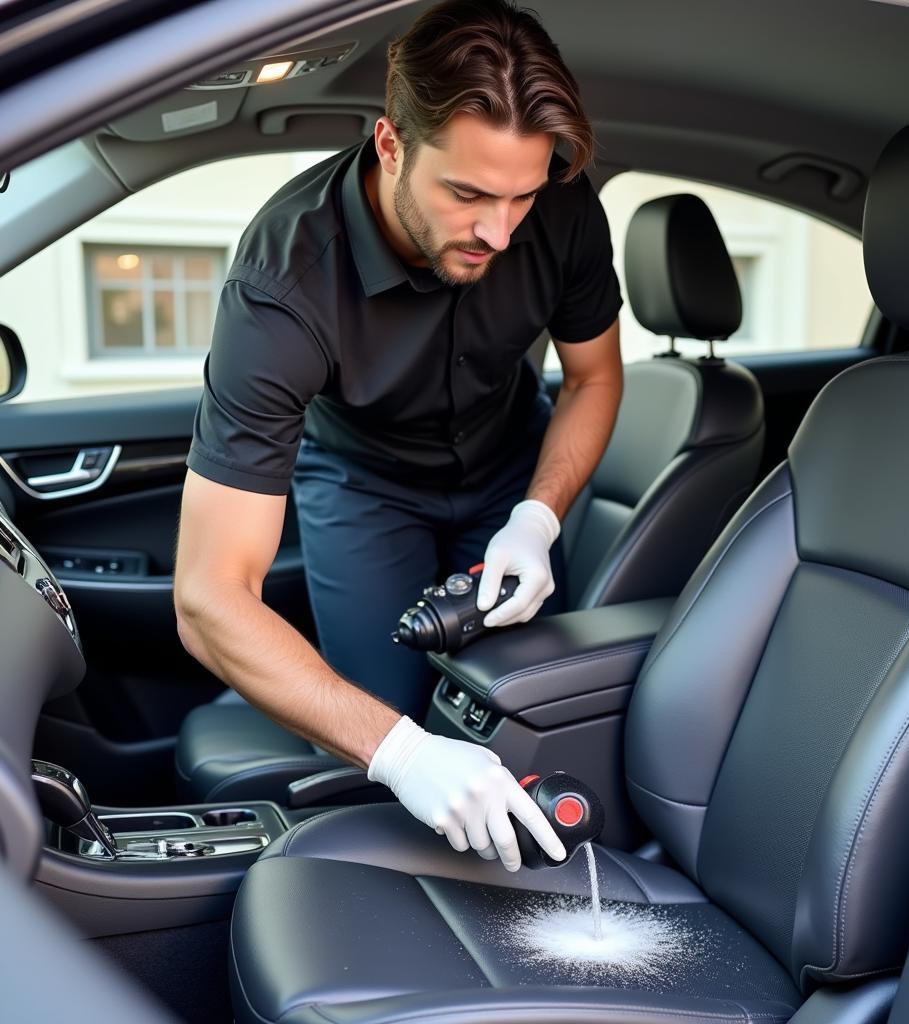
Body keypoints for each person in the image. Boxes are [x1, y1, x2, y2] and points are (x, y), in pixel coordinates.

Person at [173, 0, 623, 872]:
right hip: (361, 484)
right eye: (468, 194)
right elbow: (207, 599)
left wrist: (538, 518)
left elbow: (597, 377)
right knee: (378, 742)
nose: (499, 231)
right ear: (390, 146)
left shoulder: (562, 212)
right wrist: (404, 755)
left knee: (531, 724)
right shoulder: (282, 285)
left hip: (511, 471)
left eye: (520, 196)